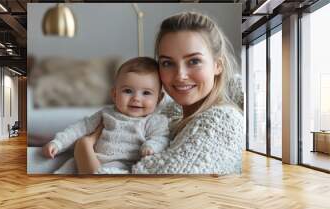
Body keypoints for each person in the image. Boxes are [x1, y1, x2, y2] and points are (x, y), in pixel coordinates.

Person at [73, 12, 244, 175]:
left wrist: (83, 148)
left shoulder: (222, 121)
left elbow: (137, 189)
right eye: (168, 63)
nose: (180, 75)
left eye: (194, 61)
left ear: (217, 65)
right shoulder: (168, 112)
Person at [42, 57, 170, 174]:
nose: (136, 98)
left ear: (159, 99)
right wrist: (58, 143)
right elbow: (80, 128)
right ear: (114, 94)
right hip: (90, 158)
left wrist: (151, 146)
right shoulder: (106, 113)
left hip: (124, 167)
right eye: (128, 91)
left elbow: (162, 139)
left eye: (146, 93)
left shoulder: (154, 121)